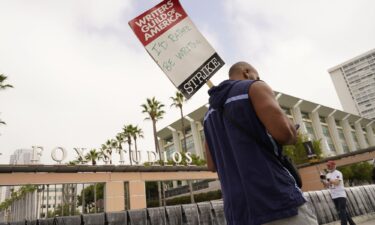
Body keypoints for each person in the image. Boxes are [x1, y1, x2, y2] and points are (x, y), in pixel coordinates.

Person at [204, 62, 318, 225]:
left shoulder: (208, 116)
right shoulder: (254, 87)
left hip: (237, 213)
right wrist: (293, 130)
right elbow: (285, 134)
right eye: (257, 76)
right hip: (276, 201)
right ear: (246, 72)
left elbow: (211, 165)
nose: (259, 79)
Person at [321, 160, 356, 225]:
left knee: (342, 211)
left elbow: (337, 183)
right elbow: (327, 186)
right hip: (333, 196)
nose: (328, 167)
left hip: (341, 195)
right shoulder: (328, 175)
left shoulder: (338, 173)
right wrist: (323, 181)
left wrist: (328, 179)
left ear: (333, 166)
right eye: (327, 165)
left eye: (329, 165)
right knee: (342, 211)